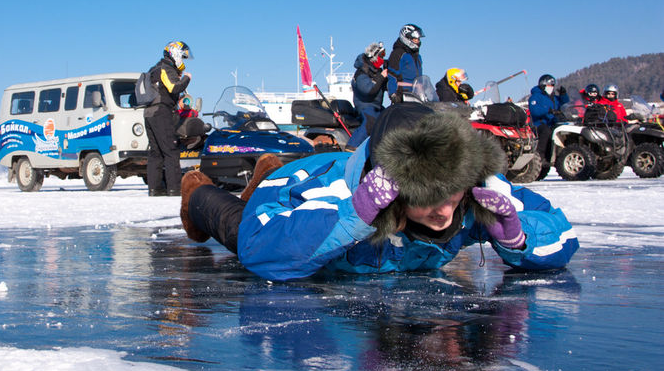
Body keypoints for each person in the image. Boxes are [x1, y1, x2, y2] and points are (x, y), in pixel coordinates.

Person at [178, 103, 578, 281]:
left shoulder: (474, 186)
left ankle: (268, 168)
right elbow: (258, 247)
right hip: (290, 188)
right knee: (235, 227)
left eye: (451, 194)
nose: (444, 212)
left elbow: (562, 232)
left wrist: (518, 236)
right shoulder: (333, 193)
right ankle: (197, 190)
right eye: (424, 198)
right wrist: (354, 216)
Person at [144, 40, 192, 197]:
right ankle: (174, 189)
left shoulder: (154, 69)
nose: (183, 61)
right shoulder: (166, 68)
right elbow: (174, 87)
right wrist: (186, 79)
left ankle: (155, 188)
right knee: (171, 151)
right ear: (175, 54)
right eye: (183, 57)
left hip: (149, 113)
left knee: (155, 152)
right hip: (161, 112)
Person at [347, 42, 388, 149]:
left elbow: (385, 87)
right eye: (381, 56)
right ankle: (352, 147)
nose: (382, 59)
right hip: (365, 106)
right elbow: (369, 91)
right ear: (373, 57)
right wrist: (381, 77)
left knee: (390, 117)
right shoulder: (361, 73)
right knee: (371, 121)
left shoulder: (376, 71)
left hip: (377, 106)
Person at [528, 74, 569, 164]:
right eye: (550, 85)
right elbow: (534, 110)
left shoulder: (553, 97)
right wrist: (548, 110)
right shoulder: (535, 96)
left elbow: (565, 103)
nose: (551, 88)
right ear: (543, 85)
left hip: (553, 123)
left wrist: (563, 95)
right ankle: (540, 156)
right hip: (539, 124)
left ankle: (561, 155)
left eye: (553, 86)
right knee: (547, 132)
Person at [386, 24, 424, 100]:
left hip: (417, 95)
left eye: (418, 39)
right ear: (407, 38)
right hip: (403, 95)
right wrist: (393, 94)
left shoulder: (417, 56)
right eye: (414, 39)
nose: (417, 41)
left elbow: (420, 77)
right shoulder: (398, 54)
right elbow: (392, 74)